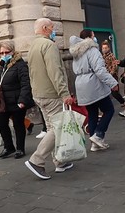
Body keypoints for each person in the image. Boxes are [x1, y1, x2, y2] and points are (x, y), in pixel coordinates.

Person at [24, 17, 74, 180]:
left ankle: (59, 161)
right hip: (51, 94)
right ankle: (36, 160)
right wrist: (64, 93)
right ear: (45, 28)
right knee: (56, 128)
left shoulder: (33, 46)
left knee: (52, 126)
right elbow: (55, 71)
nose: (54, 31)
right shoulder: (49, 45)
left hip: (39, 94)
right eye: (52, 28)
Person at [70, 30, 119, 152]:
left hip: (81, 85)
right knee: (109, 109)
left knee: (92, 113)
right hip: (93, 84)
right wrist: (113, 83)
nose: (95, 37)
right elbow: (100, 70)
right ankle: (98, 134)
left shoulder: (76, 53)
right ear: (89, 38)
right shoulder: (92, 50)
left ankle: (94, 143)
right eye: (93, 35)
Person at [0, 41, 35, 159]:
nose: (4, 54)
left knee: (18, 124)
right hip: (3, 101)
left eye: (7, 52)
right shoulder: (1, 65)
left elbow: (25, 83)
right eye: (2, 52)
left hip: (17, 99)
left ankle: (20, 148)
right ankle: (8, 146)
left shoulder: (20, 65)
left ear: (12, 52)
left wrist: (23, 100)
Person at [101, 40, 125, 107]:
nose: (104, 49)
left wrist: (111, 74)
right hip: (105, 76)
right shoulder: (102, 57)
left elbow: (114, 66)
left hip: (112, 75)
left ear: (109, 48)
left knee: (114, 92)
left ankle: (122, 102)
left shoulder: (111, 56)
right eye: (103, 48)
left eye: (105, 48)